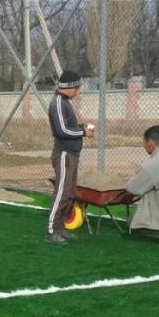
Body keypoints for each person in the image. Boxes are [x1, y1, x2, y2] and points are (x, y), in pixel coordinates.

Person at [46, 70, 96, 244]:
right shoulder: (58, 103)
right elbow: (62, 130)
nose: (78, 91)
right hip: (64, 154)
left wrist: (82, 127)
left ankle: (60, 228)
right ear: (68, 87)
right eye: (76, 88)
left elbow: (69, 126)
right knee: (61, 193)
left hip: (71, 154)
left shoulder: (64, 102)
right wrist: (83, 132)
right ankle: (52, 231)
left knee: (68, 192)